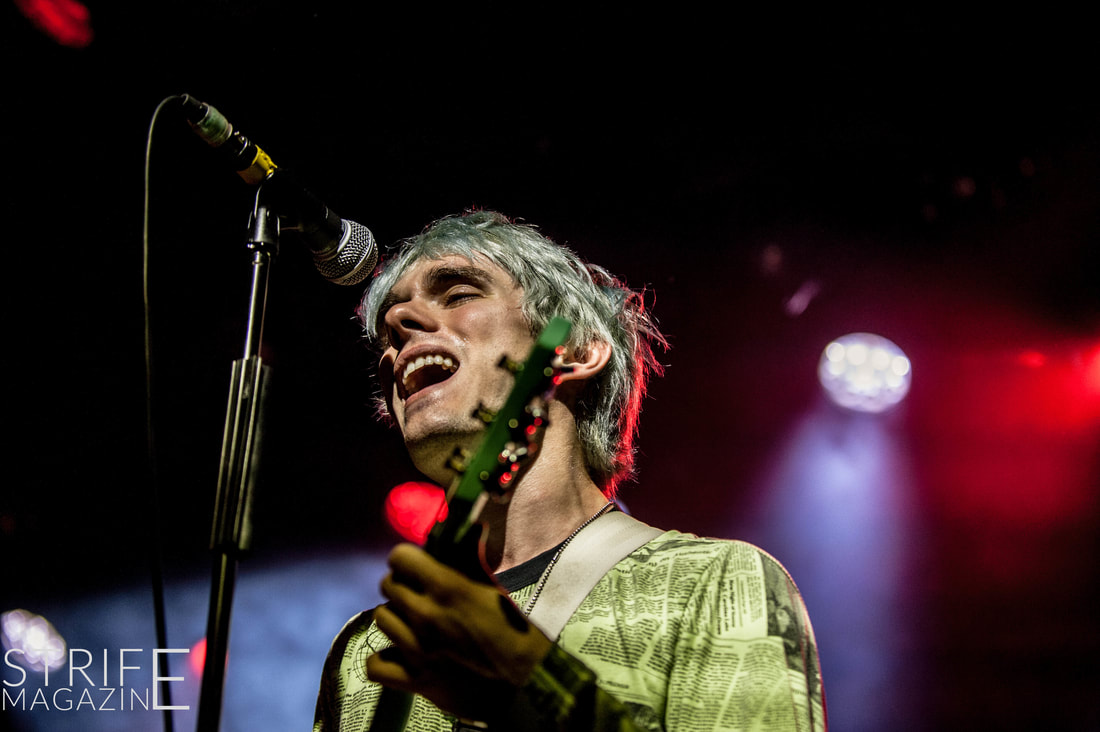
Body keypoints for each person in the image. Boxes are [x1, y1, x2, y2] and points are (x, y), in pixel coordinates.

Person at [313, 210, 827, 731]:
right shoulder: (365, 649)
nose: (398, 324)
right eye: (388, 325)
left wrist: (534, 691)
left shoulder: (712, 583)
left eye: (459, 293)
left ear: (576, 352)